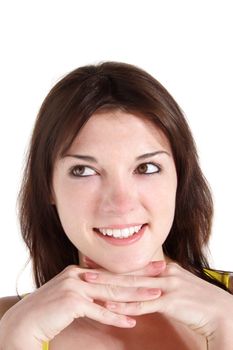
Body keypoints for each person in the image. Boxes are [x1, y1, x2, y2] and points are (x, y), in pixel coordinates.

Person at [0, 61, 232, 350]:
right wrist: (16, 339)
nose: (121, 204)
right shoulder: (9, 326)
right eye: (84, 171)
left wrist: (227, 329)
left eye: (146, 167)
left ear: (180, 176)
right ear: (48, 186)